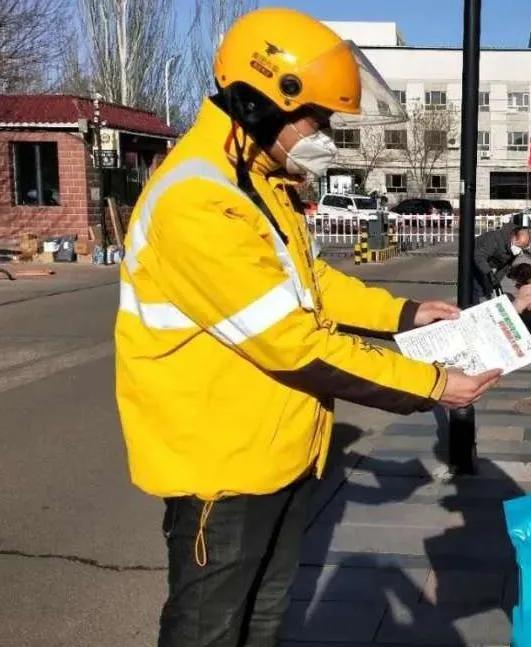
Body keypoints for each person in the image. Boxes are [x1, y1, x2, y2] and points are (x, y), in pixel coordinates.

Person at [114, 9, 501, 647]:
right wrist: (431, 385)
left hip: (281, 451)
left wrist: (405, 315)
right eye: (316, 119)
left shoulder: (259, 180)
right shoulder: (200, 200)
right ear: (261, 102)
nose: (324, 134)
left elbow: (311, 284)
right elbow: (293, 345)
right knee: (209, 630)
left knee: (263, 621)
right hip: (224, 466)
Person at [472, 222, 531, 302]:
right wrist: (489, 274)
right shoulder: (494, 238)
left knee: (487, 290)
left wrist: (496, 282)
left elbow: (505, 267)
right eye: (519, 246)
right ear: (513, 237)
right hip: (472, 260)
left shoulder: (513, 248)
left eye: (522, 248)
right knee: (476, 290)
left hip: (486, 265)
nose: (519, 250)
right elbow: (479, 257)